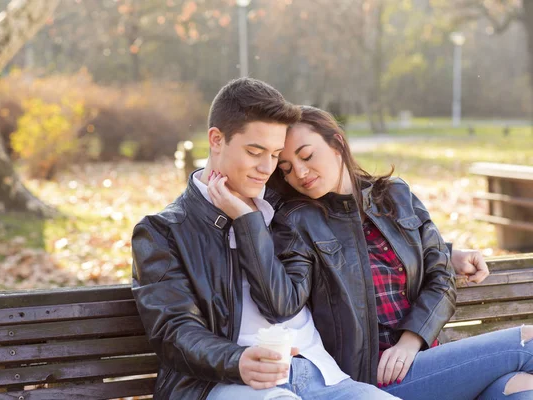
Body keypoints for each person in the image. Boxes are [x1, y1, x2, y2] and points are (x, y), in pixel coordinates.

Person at [131, 78, 399, 399]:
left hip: (322, 376)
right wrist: (237, 361)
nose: (265, 168)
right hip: (230, 383)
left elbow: (346, 240)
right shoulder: (163, 231)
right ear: (216, 140)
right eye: (254, 151)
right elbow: (173, 331)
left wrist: (447, 254)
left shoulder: (285, 209)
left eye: (274, 154)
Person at [263, 105, 533, 400]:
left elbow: (440, 276)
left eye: (306, 156)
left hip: (427, 358)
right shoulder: (295, 222)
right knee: (527, 344)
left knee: (519, 388)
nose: (299, 172)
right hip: (372, 378)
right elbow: (283, 301)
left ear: (337, 143)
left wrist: (411, 339)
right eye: (286, 169)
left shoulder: (395, 195)